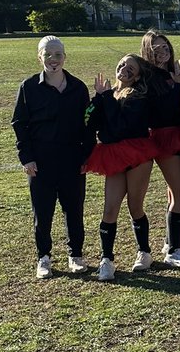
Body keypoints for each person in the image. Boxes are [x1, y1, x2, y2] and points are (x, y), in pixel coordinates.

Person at [11, 36, 93, 279]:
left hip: (72, 159)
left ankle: (75, 255)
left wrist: (85, 155)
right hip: (41, 160)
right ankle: (43, 257)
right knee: (43, 211)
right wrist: (26, 158)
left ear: (65, 57)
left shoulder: (78, 88)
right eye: (48, 54)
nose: (53, 59)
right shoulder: (28, 87)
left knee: (74, 209)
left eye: (58, 54)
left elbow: (87, 125)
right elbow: (20, 124)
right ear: (39, 57)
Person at [84, 55, 157, 282]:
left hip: (137, 155)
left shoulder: (139, 97)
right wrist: (97, 98)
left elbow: (120, 128)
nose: (124, 69)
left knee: (135, 206)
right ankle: (107, 259)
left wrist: (105, 97)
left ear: (137, 75)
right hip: (113, 156)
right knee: (110, 209)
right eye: (123, 63)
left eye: (131, 68)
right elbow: (88, 120)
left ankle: (144, 252)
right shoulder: (109, 93)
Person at [140, 30, 180, 267]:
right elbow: (161, 110)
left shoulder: (174, 73)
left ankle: (170, 241)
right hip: (165, 136)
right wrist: (178, 86)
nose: (162, 52)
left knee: (175, 192)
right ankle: (173, 250)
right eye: (156, 49)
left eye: (165, 47)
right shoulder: (149, 77)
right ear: (147, 52)